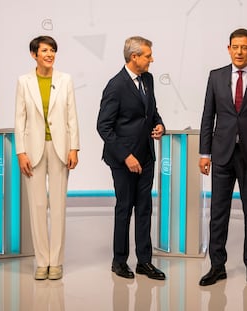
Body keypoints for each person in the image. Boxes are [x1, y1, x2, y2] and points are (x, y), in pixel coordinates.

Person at [198, 28, 247, 286]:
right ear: (228, 48)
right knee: (218, 213)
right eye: (235, 47)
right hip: (222, 155)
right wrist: (204, 153)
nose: (240, 52)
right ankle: (217, 265)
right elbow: (208, 116)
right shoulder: (216, 76)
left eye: (245, 47)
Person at [97, 36, 166, 280]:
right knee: (124, 209)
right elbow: (103, 127)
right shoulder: (115, 86)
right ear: (134, 57)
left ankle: (144, 262)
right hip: (123, 160)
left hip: (146, 155)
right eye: (148, 55)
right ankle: (119, 261)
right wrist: (126, 156)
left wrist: (159, 125)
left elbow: (152, 111)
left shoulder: (147, 79)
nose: (152, 59)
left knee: (145, 208)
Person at [15, 35, 80, 280]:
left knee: (59, 205)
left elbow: (71, 115)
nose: (49, 54)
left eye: (52, 50)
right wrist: (21, 152)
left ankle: (57, 261)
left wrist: (74, 147)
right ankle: (42, 261)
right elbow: (20, 118)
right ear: (34, 54)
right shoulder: (24, 81)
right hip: (33, 148)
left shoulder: (65, 80)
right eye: (44, 50)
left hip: (60, 147)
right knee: (38, 205)